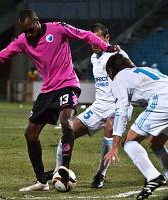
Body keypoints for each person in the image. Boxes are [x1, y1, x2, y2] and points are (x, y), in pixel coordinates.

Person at [0, 9, 119, 192]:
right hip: (48, 90)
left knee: (66, 121)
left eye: (32, 29)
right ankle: (41, 181)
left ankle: (63, 169)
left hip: (68, 84)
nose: (30, 34)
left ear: (38, 21)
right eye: (26, 31)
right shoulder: (23, 41)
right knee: (30, 134)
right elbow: (3, 55)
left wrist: (106, 47)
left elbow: (85, 35)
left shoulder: (57, 29)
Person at [103, 54, 168, 200]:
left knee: (130, 141)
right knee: (156, 144)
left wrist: (115, 146)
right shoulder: (142, 71)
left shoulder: (119, 78)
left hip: (165, 100)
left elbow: (121, 110)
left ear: (111, 71)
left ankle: (153, 177)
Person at [50, 23, 132, 188]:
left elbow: (133, 74)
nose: (94, 44)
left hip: (118, 106)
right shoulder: (94, 58)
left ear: (107, 38)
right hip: (98, 106)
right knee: (68, 132)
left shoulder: (118, 54)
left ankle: (100, 174)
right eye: (91, 40)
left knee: (110, 128)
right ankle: (58, 172)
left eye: (98, 39)